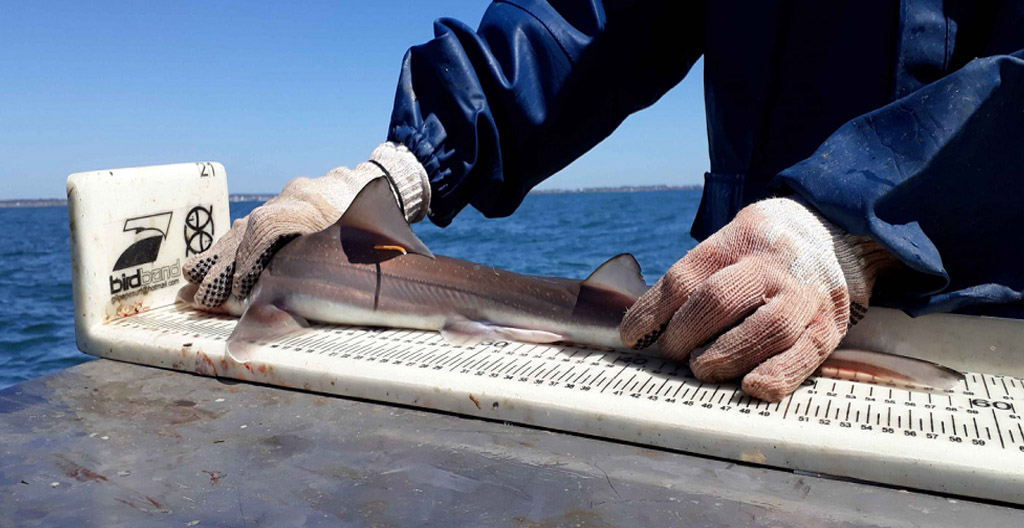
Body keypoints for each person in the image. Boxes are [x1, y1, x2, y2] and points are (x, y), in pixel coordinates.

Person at [184, 1, 1024, 402]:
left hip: (977, 314)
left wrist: (857, 221)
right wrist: (405, 165)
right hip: (730, 308)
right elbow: (583, 24)